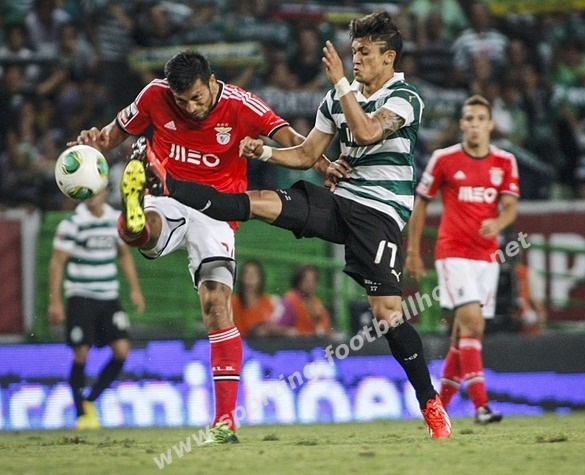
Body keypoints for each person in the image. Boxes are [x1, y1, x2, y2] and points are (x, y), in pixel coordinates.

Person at [137, 11, 451, 439]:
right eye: (354, 51)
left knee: (387, 315)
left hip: (380, 214)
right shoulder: (336, 99)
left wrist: (341, 84)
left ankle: (430, 403)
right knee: (258, 202)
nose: (356, 59)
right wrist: (264, 152)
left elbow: (366, 132)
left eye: (364, 52)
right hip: (340, 202)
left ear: (388, 57)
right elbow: (306, 156)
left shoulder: (404, 97)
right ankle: (168, 183)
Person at [69, 50, 312, 443]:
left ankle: (224, 422)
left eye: (197, 98)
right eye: (182, 101)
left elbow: (297, 144)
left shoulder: (242, 105)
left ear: (212, 81)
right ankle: (133, 214)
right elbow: (112, 134)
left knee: (216, 305)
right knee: (149, 227)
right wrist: (95, 143)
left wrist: (318, 162)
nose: (191, 108)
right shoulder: (154, 95)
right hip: (167, 193)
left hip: (217, 211)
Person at [405, 94, 520, 424]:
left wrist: (498, 223)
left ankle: (438, 409)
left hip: (487, 257)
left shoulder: (505, 161)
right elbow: (421, 203)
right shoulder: (444, 159)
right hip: (453, 253)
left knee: (463, 335)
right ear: (461, 124)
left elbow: (510, 207)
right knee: (474, 323)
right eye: (469, 119)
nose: (474, 125)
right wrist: (412, 251)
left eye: (480, 119)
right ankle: (481, 407)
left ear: (490, 125)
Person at [47, 187, 145, 429]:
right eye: (88, 191)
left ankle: (89, 400)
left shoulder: (116, 219)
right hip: (80, 295)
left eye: (96, 191)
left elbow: (124, 255)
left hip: (108, 295)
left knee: (122, 351)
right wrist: (55, 301)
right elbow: (57, 262)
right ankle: (81, 415)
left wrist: (135, 289)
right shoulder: (73, 223)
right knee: (81, 353)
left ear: (106, 192)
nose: (92, 196)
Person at [231, 259, 287, 338]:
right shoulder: (232, 303)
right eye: (247, 273)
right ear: (241, 277)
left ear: (260, 278)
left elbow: (279, 328)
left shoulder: (271, 302)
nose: (250, 277)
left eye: (254, 273)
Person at [273, 264, 332, 338]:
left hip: (315, 343)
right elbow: (272, 327)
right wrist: (287, 331)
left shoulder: (317, 304)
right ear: (298, 281)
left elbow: (328, 330)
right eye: (306, 280)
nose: (311, 284)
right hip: (295, 344)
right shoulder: (289, 302)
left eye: (314, 280)